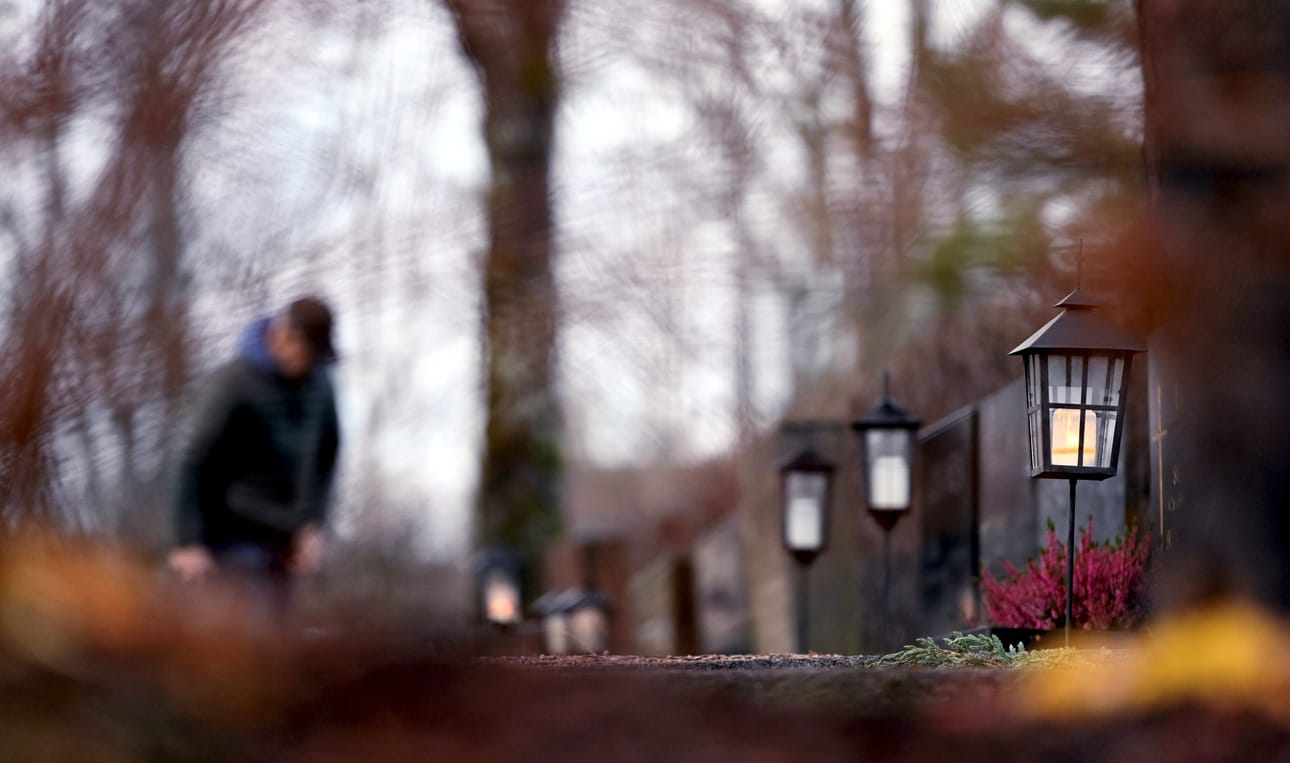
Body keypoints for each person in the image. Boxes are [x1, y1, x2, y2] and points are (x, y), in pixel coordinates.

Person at [168, 296, 341, 616]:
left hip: (283, 544)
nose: (312, 365)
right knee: (245, 635)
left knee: (276, 647)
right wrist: (186, 542)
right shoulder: (233, 383)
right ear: (283, 337)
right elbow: (193, 460)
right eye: (307, 355)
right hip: (229, 539)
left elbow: (327, 456)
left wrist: (313, 525)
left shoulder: (320, 387)